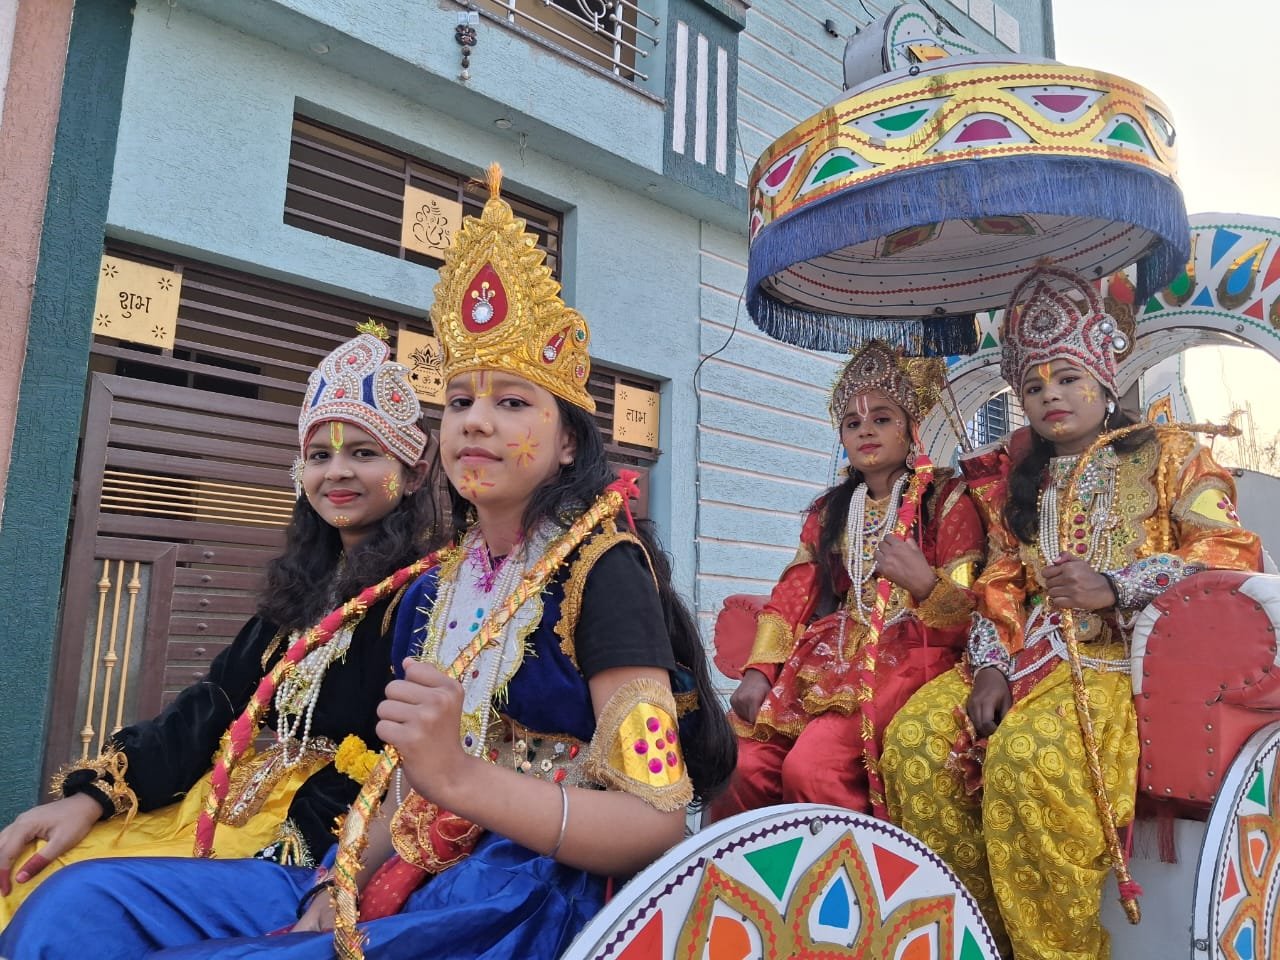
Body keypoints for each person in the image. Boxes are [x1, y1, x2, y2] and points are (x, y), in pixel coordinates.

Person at [0, 165, 735, 960]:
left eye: (512, 403)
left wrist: (458, 782)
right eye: (459, 402)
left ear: (567, 444)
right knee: (74, 906)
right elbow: (409, 775)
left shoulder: (604, 571)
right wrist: (336, 876)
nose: (476, 423)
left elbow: (656, 823)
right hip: (389, 867)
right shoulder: (447, 583)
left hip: (515, 893)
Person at [880, 266, 1263, 960]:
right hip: (1025, 658)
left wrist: (1116, 587)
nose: (1050, 394)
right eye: (1033, 384)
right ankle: (980, 939)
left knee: (1027, 761)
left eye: (1066, 376)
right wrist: (991, 668)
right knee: (912, 745)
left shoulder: (1171, 454)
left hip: (1118, 665)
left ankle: (1058, 950)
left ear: (1105, 378)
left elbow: (1228, 552)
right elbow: (1001, 581)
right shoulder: (1012, 486)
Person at [0, 327, 438, 927]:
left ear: (413, 473)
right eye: (319, 456)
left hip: (321, 837)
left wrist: (316, 860)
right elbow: (214, 702)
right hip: (223, 804)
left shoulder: (430, 592)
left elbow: (406, 759)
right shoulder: (304, 587)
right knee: (37, 870)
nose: (337, 472)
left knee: (77, 908)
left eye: (364, 453)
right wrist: (92, 797)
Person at [709, 341, 984, 821]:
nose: (866, 431)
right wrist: (759, 673)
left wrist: (924, 584)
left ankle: (854, 882)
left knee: (813, 769)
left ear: (910, 427)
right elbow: (793, 594)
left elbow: (970, 614)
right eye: (853, 423)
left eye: (881, 418)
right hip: (829, 655)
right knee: (742, 765)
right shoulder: (830, 511)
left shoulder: (947, 500)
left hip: (915, 652)